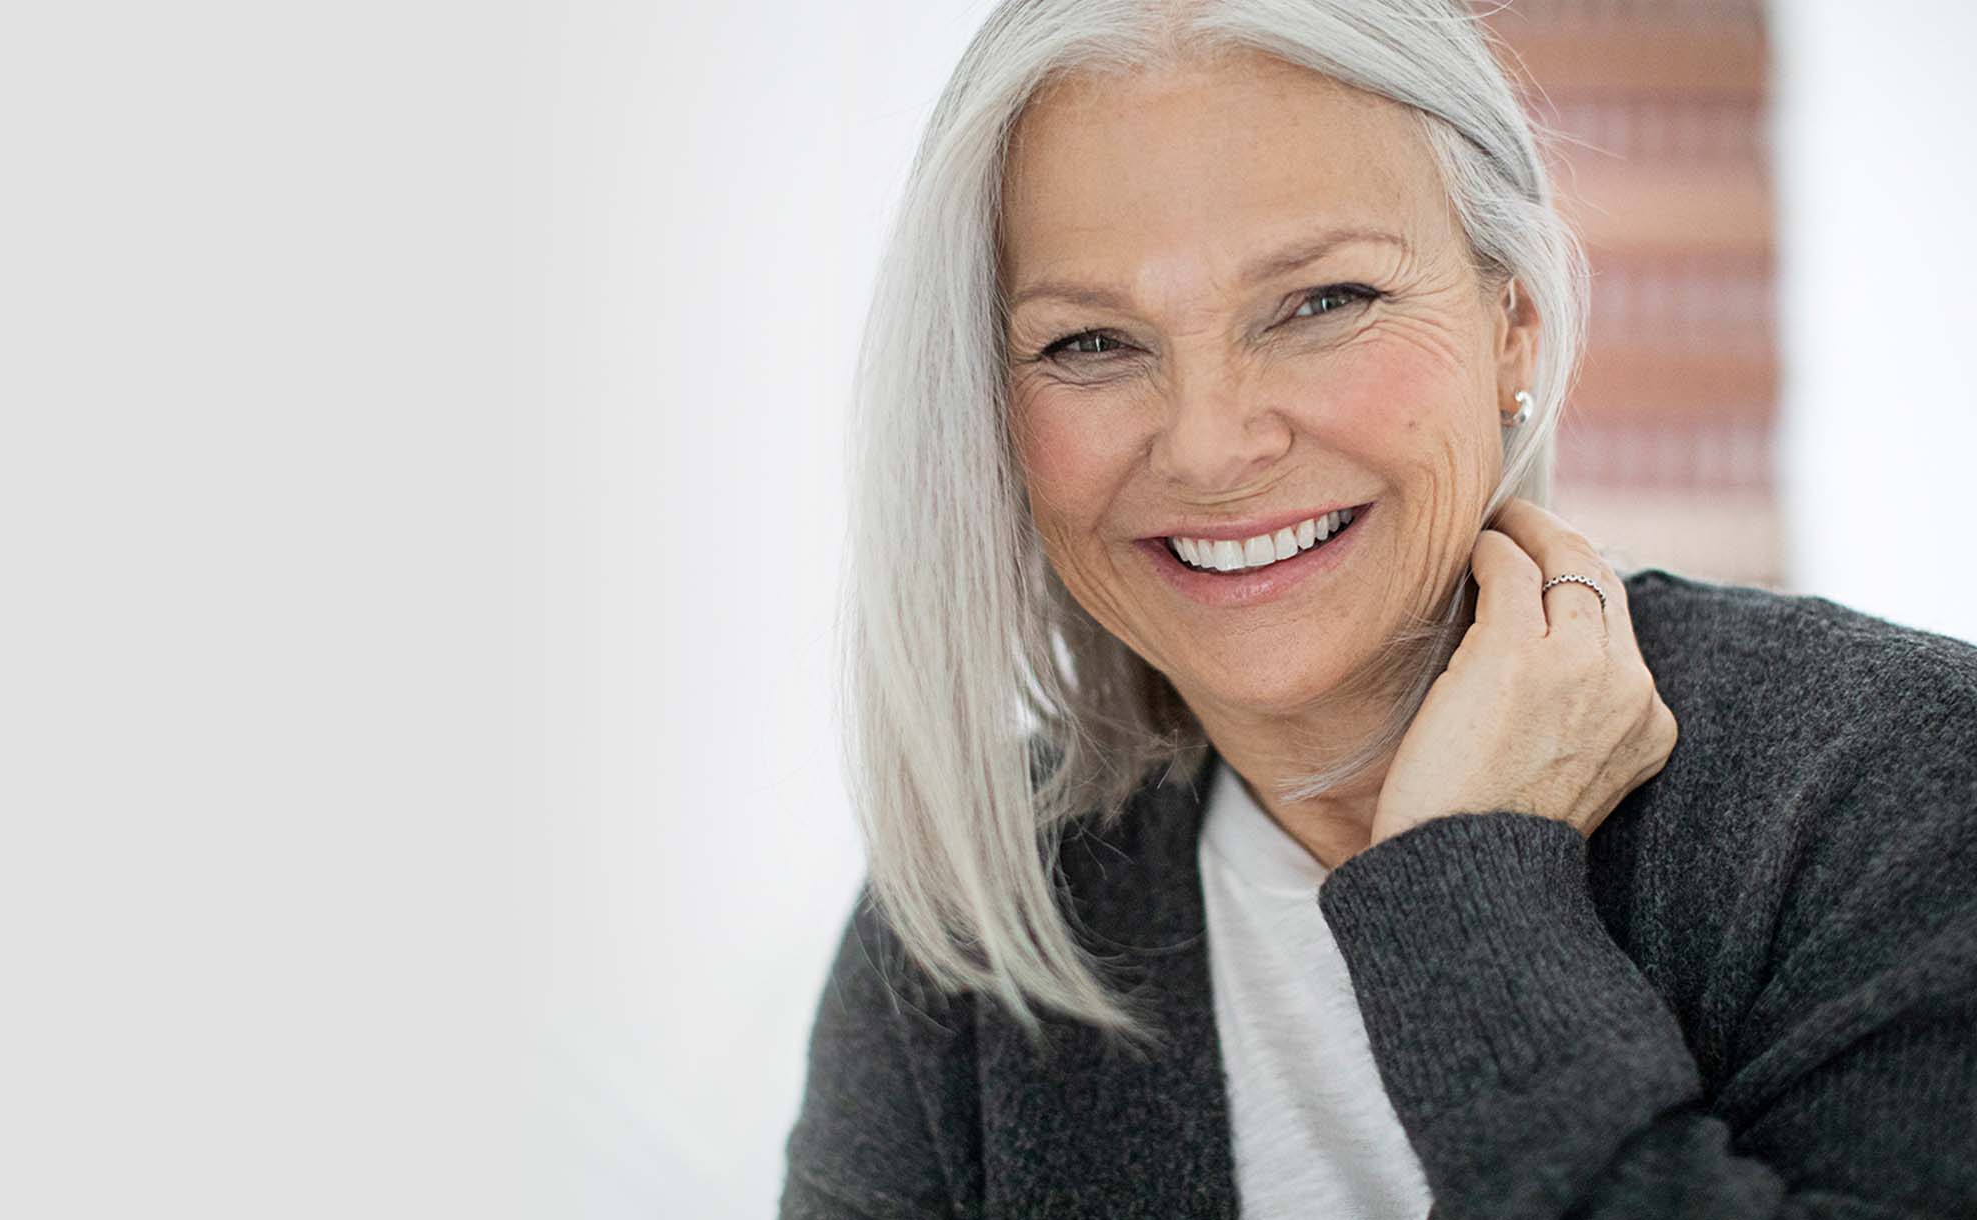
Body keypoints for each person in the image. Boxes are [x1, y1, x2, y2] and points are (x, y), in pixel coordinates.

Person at [779, 2, 1977, 1217]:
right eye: (1089, 340)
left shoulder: (1896, 785)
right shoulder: (974, 924)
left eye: (1321, 301)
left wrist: (1465, 902)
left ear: (1513, 324)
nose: (1210, 446)